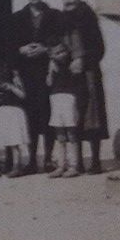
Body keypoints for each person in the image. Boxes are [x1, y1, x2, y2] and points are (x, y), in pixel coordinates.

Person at [9, 0, 62, 172]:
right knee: (29, 116)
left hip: (47, 72)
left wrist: (45, 49)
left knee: (47, 114)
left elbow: (60, 43)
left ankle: (48, 158)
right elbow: (10, 47)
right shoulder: (17, 18)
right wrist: (21, 50)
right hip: (26, 73)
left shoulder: (54, 15)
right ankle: (31, 159)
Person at [59, 0, 108, 173]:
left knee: (92, 116)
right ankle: (76, 161)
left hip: (89, 74)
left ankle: (95, 161)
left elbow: (99, 47)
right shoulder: (63, 19)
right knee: (74, 117)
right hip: (70, 75)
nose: (68, 1)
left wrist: (83, 60)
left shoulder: (88, 17)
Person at [46, 42, 81, 178]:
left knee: (71, 134)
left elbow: (77, 84)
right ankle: (61, 165)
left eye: (62, 51)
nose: (61, 55)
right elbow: (49, 83)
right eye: (57, 53)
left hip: (69, 98)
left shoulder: (71, 65)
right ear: (51, 55)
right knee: (60, 135)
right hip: (55, 99)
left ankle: (74, 165)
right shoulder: (52, 66)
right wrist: (50, 70)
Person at [0, 60, 30, 177]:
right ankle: (5, 164)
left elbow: (23, 95)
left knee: (15, 142)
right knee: (5, 141)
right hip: (2, 113)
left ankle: (16, 166)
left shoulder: (14, 82)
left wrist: (12, 87)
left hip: (14, 112)